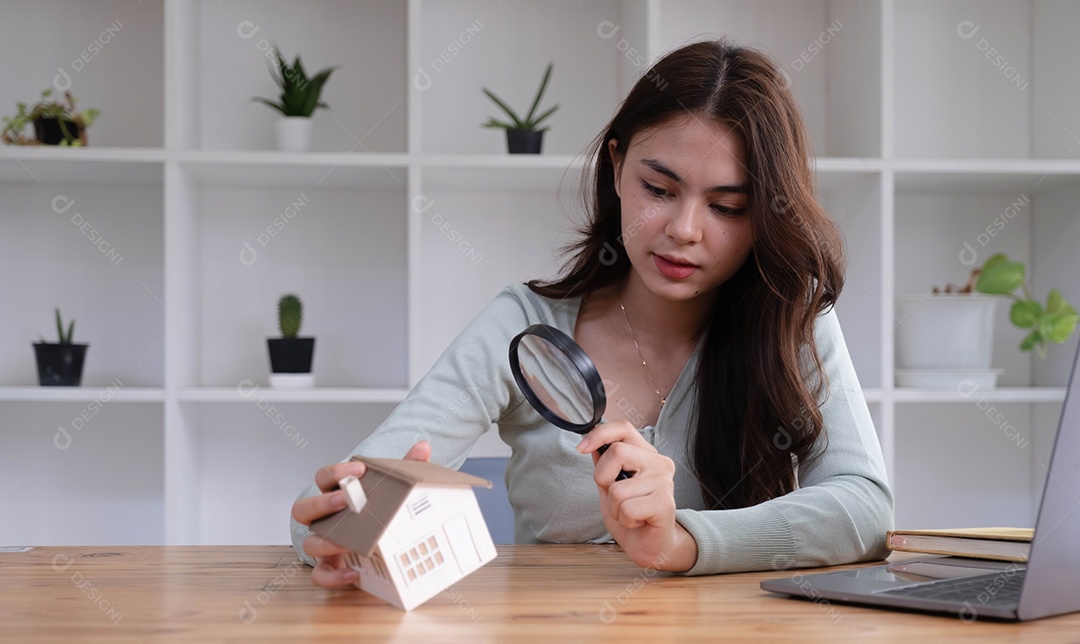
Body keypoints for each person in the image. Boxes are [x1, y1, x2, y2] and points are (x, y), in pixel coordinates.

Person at [290, 38, 893, 588]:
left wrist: (681, 541)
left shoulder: (794, 315)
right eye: (658, 189)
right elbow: (337, 507)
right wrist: (338, 533)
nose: (684, 230)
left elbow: (863, 509)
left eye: (728, 207)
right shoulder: (522, 324)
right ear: (616, 167)